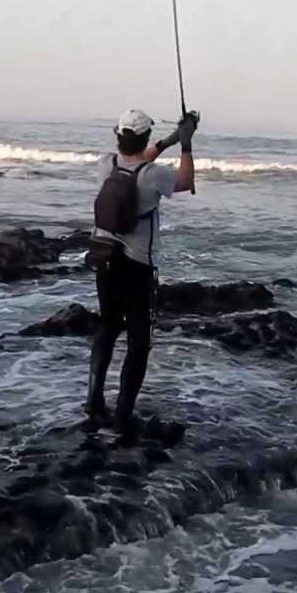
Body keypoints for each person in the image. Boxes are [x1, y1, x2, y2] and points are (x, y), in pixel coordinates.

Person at [86, 107, 199, 433]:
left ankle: (94, 401)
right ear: (145, 136)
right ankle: (123, 415)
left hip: (104, 257)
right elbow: (186, 181)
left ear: (118, 136)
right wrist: (187, 144)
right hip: (137, 264)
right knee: (138, 341)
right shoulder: (154, 176)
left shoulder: (106, 164)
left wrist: (170, 139)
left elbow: (138, 158)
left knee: (107, 328)